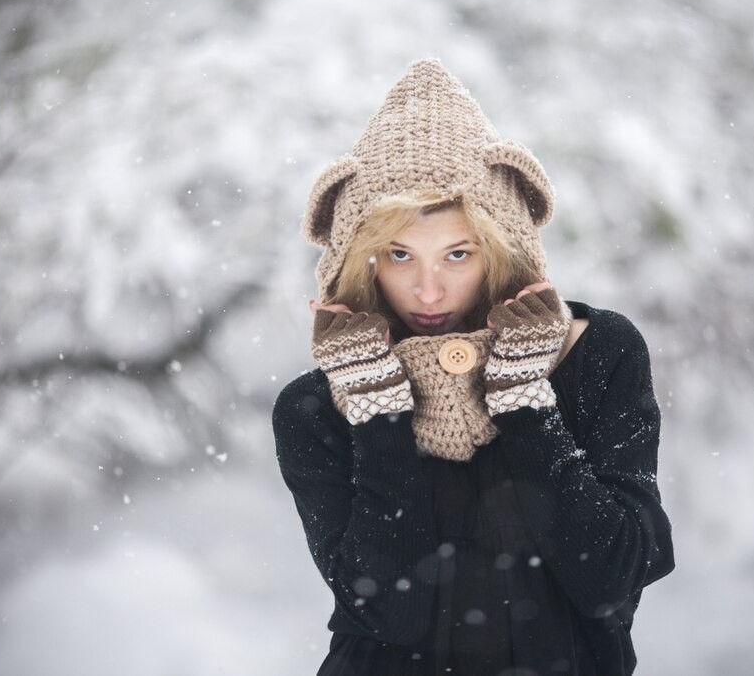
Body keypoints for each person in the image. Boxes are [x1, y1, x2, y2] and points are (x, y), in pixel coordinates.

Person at [272, 59, 674, 676]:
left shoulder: (595, 353)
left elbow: (609, 579)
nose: (428, 290)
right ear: (362, 260)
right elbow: (387, 613)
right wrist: (376, 409)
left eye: (458, 254)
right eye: (398, 255)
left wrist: (525, 401)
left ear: (503, 248)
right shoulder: (320, 404)